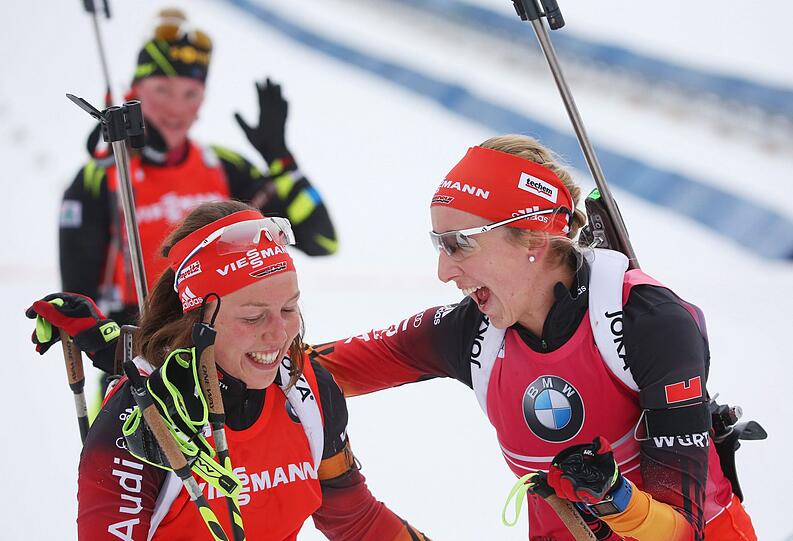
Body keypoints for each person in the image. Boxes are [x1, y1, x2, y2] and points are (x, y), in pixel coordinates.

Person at [310, 135, 758, 540]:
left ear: (534, 239)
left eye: (459, 244)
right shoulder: (473, 331)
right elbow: (309, 369)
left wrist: (615, 498)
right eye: (438, 244)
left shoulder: (648, 322)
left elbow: (683, 532)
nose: (444, 271)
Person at [27, 200, 428, 540]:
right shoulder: (141, 418)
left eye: (289, 309)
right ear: (199, 320)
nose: (279, 334)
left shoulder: (307, 391)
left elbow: (355, 519)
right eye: (253, 317)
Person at [59, 8, 337, 327]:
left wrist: (281, 159)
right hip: (137, 358)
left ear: (202, 100)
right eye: (162, 89)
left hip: (223, 353)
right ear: (134, 92)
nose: (176, 107)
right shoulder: (101, 177)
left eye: (190, 94)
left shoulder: (224, 167)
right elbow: (77, 307)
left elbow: (322, 241)